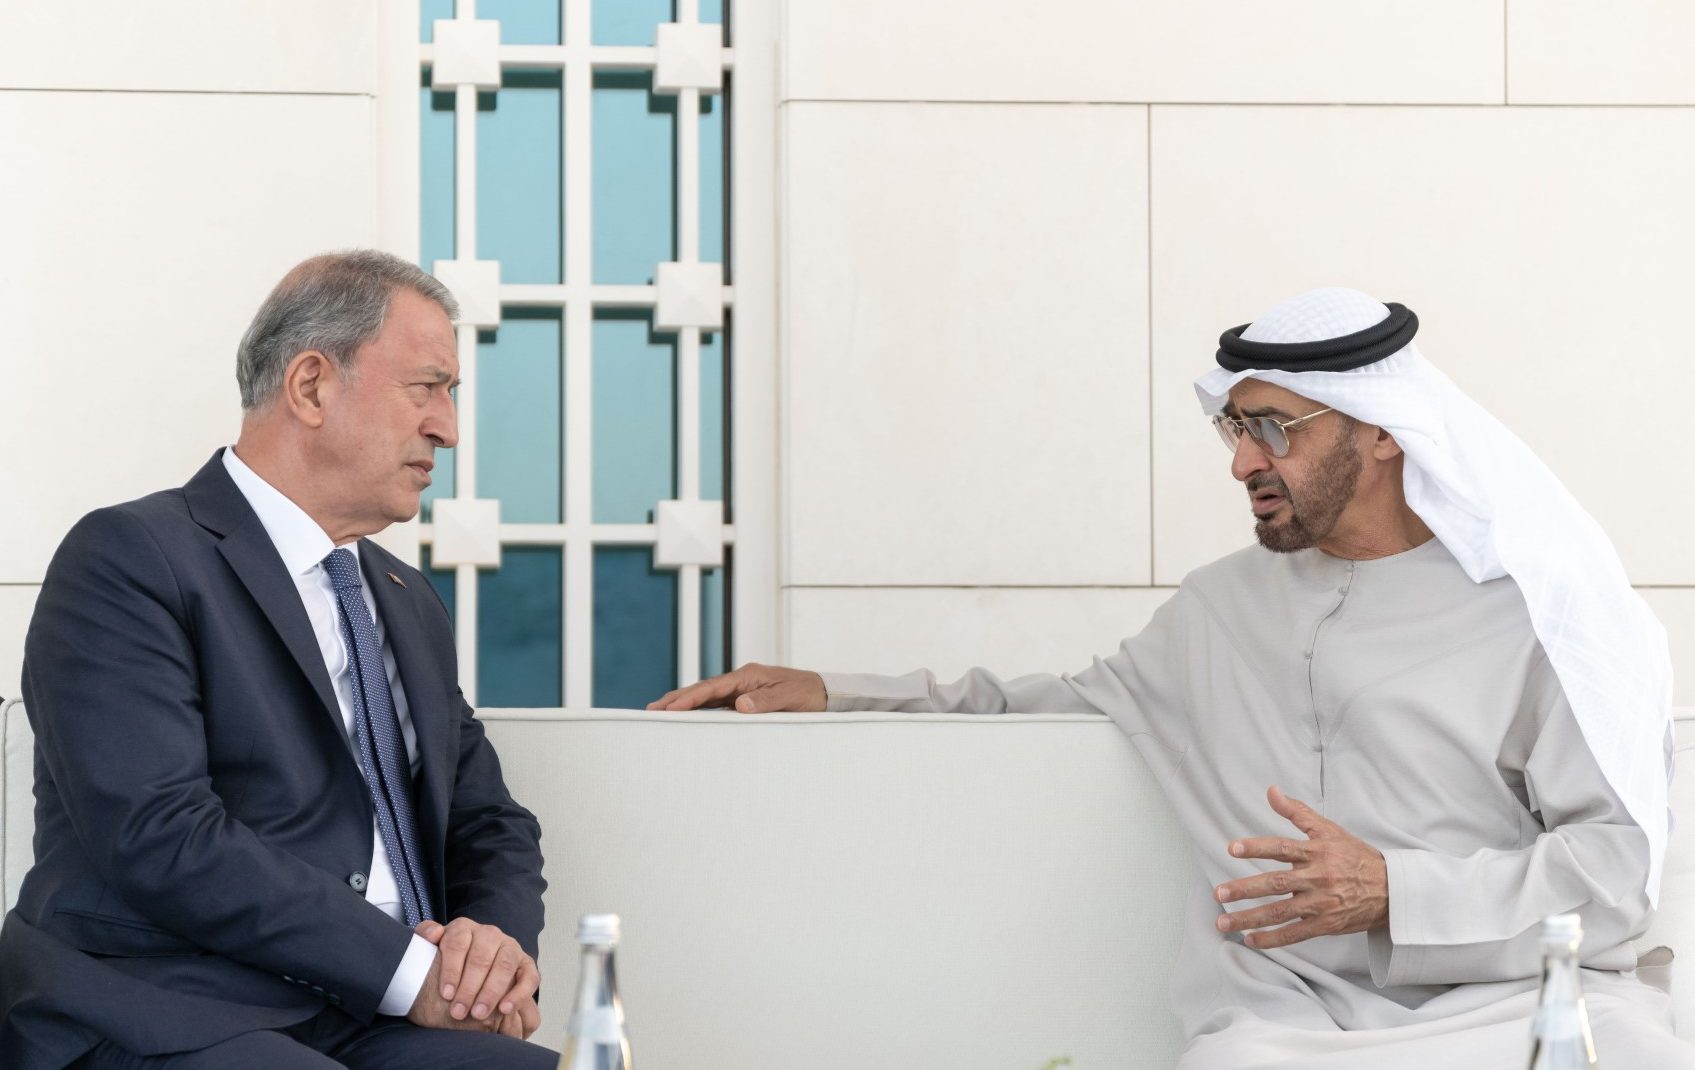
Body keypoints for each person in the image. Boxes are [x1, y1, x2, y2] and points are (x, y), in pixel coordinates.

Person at [650, 288, 1691, 1067]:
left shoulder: (1545, 615)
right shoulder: (1219, 608)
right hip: (1293, 1025)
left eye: (1275, 428)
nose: (1242, 462)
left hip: (1514, 1011)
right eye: (1235, 429)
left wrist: (1392, 890)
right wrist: (836, 691)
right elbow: (1049, 702)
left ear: (1382, 433)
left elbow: (1612, 876)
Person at [0, 251, 556, 1069]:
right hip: (174, 1009)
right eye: (426, 388)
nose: (448, 427)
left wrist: (487, 951)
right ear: (310, 386)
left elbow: (488, 820)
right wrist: (410, 976)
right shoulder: (131, 557)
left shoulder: (402, 596)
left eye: (451, 395)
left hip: (373, 1016)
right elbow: (162, 835)